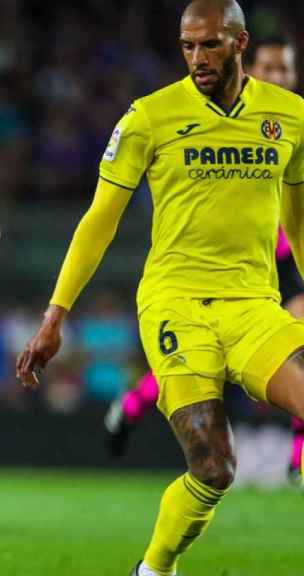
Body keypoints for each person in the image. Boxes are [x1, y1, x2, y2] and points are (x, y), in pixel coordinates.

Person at [16, 2, 304, 575]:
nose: (197, 58)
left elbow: (298, 219)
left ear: (241, 42)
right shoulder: (150, 117)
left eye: (210, 45)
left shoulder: (290, 115)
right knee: (215, 468)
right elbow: (99, 219)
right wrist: (56, 315)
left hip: (253, 305)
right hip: (176, 304)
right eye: (187, 46)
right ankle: (154, 568)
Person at [103, 35, 304, 484]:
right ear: (247, 66)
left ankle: (297, 459)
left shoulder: (292, 124)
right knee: (211, 364)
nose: (279, 78)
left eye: (286, 69)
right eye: (269, 69)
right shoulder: (220, 119)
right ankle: (134, 403)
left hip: (280, 270)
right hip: (219, 276)